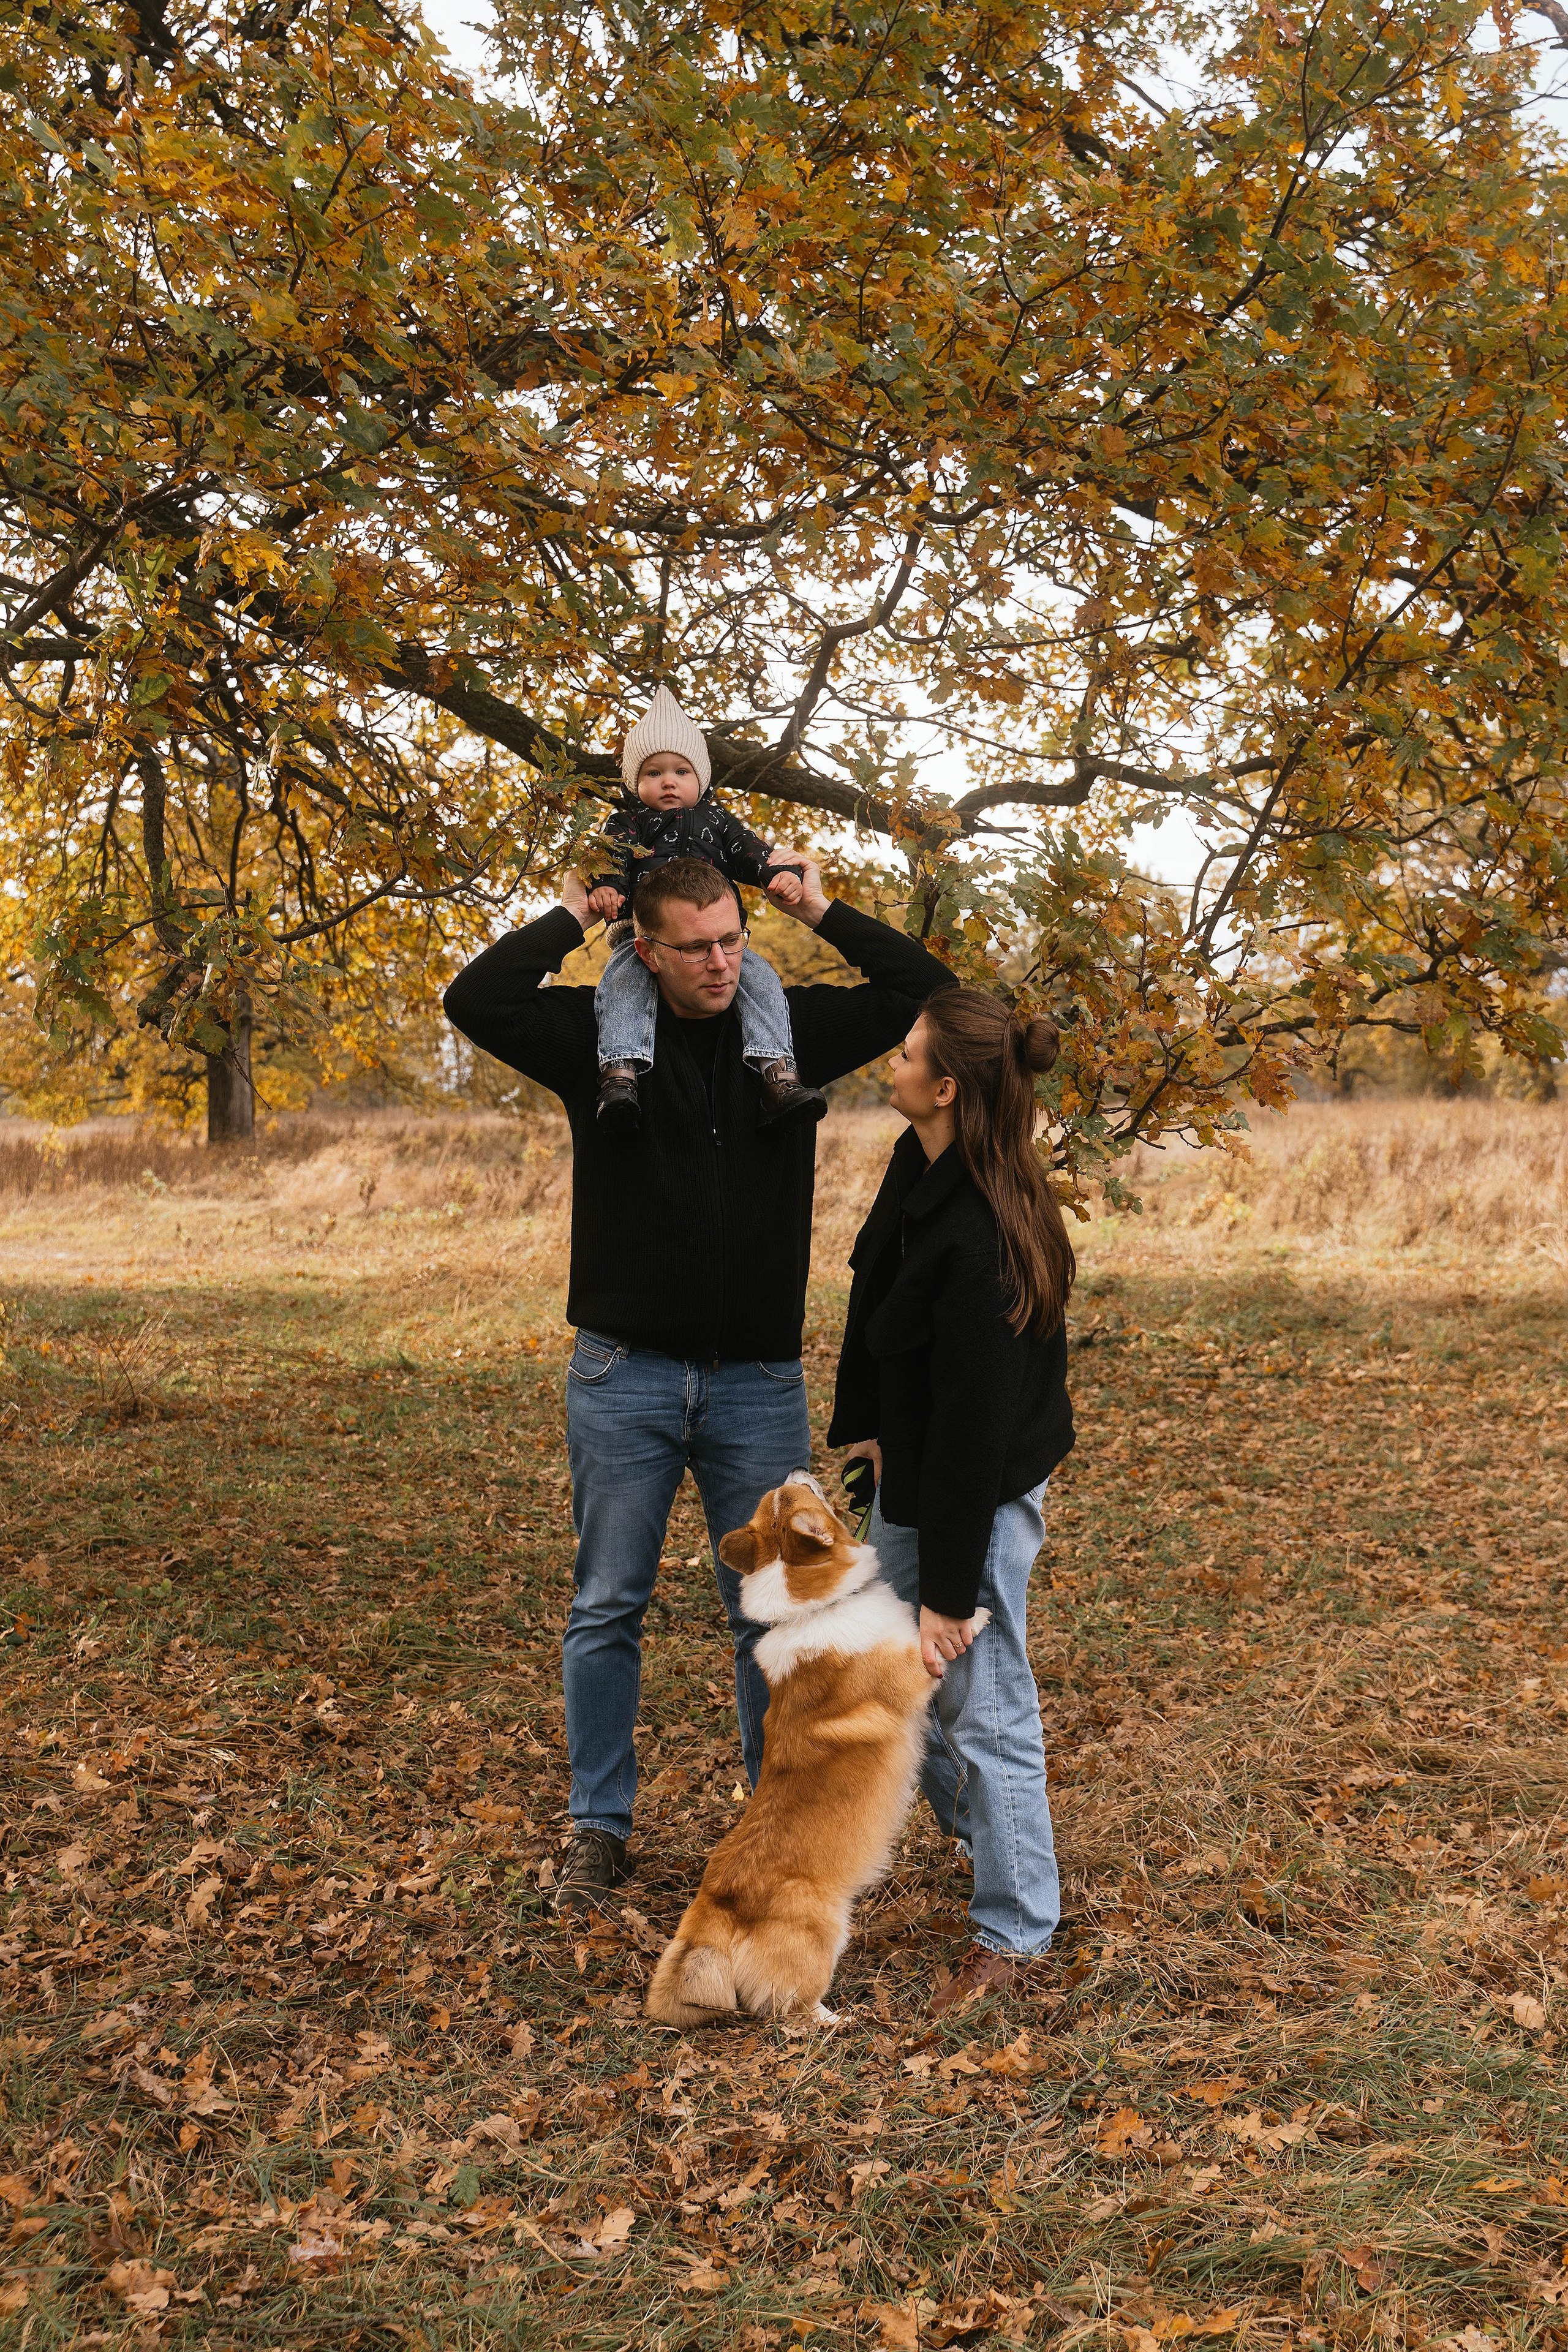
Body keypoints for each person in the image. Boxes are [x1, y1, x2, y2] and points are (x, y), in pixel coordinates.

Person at [443, 850, 953, 1914]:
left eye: (734, 939)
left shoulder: (790, 1032)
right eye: (696, 946)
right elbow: (475, 996)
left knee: (769, 1610)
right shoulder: (597, 1038)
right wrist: (568, 917)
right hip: (622, 1371)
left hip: (758, 1380)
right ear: (646, 948)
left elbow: (919, 994)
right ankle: (599, 1831)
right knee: (607, 1605)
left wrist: (817, 908)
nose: (721, 962)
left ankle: (772, 1821)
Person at [827, 986, 1077, 2011]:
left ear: (943, 1088)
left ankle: (1017, 1933)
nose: (887, 1066)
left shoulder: (983, 1234)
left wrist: (948, 1590)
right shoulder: (918, 1162)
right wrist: (880, 1428)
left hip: (975, 1486)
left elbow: (978, 1433)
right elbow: (875, 1296)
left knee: (983, 1702)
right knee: (890, 1686)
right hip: (920, 1465)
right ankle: (998, 1842)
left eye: (904, 1056)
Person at [587, 685, 821, 1134]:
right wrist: (606, 888)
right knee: (622, 985)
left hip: (715, 935)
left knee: (762, 980)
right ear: (635, 784)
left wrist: (779, 873)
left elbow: (751, 853)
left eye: (681, 771)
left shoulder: (717, 821)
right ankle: (620, 1072)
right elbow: (611, 858)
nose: (668, 781)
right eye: (653, 773)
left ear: (703, 780)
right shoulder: (628, 823)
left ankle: (777, 1071)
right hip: (642, 933)